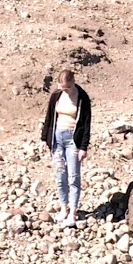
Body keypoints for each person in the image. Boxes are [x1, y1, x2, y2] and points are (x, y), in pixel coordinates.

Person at [40, 69, 92, 228]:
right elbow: (49, 118)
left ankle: (73, 212)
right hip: (57, 138)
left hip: (73, 141)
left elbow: (86, 124)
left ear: (73, 82)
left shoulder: (83, 98)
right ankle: (64, 207)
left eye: (67, 88)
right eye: (62, 87)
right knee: (60, 175)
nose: (65, 91)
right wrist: (44, 139)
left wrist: (83, 147)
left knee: (73, 177)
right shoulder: (56, 95)